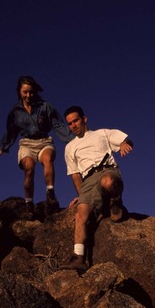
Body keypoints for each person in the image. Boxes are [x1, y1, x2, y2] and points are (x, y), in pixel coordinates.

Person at [61, 105, 133, 271]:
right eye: (70, 123)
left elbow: (125, 140)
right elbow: (75, 174)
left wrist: (123, 145)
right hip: (87, 181)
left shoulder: (102, 133)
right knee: (81, 214)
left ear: (84, 119)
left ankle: (115, 203)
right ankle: (79, 258)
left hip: (106, 170)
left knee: (107, 182)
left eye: (76, 120)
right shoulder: (70, 147)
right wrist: (82, 196)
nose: (73, 125)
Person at [0, 75, 74, 218]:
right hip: (27, 143)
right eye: (25, 92)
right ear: (19, 91)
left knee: (47, 159)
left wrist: (72, 139)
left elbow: (58, 125)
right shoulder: (15, 112)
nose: (28, 95)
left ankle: (50, 193)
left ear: (35, 91)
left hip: (44, 141)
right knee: (29, 168)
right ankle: (29, 204)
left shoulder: (45, 106)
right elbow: (12, 131)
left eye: (31, 92)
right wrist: (3, 147)